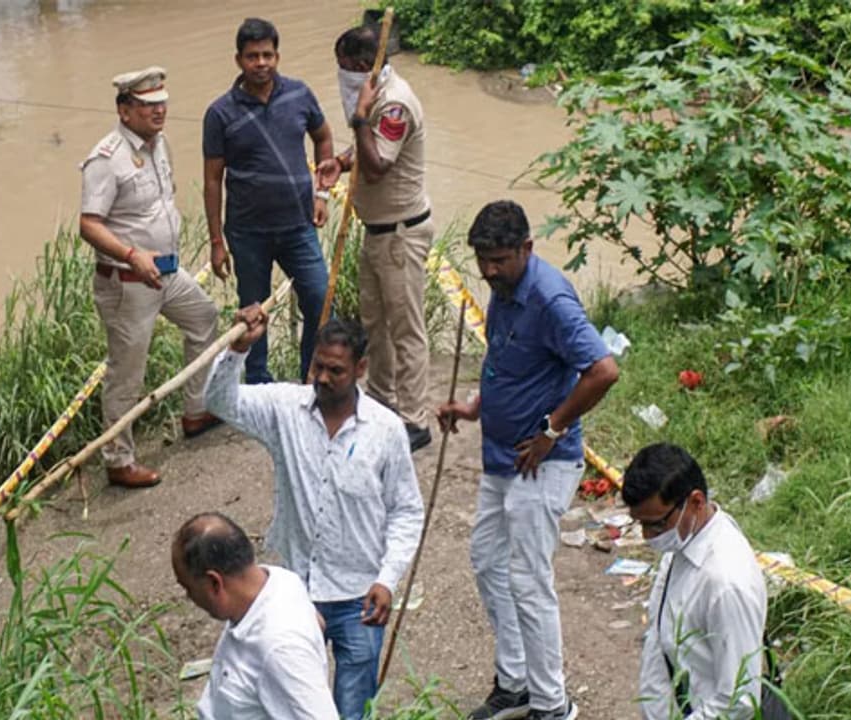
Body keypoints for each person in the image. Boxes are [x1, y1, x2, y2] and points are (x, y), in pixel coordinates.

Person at [437, 200, 619, 720]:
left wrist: (551, 429)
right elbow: (507, 360)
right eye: (482, 260)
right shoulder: (505, 290)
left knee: (528, 579)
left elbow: (603, 370)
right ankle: (515, 682)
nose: (489, 270)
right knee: (487, 561)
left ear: (526, 249)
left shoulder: (550, 298)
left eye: (499, 259)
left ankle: (551, 703)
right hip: (502, 459)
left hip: (544, 461)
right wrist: (473, 407)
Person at [205, 307, 425, 720]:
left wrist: (388, 579)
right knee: (290, 703)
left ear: (360, 368)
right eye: (317, 366)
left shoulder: (387, 430)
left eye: (335, 371)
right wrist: (237, 349)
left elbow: (407, 511)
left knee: (353, 706)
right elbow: (219, 401)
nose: (322, 378)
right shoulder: (284, 408)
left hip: (361, 596)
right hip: (296, 592)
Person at [79, 66, 221, 489]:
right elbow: (88, 224)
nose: (159, 113)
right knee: (127, 371)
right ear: (125, 110)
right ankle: (118, 460)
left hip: (166, 273)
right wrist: (130, 254)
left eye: (162, 105)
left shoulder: (160, 145)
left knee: (204, 317)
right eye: (147, 106)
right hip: (127, 281)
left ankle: (196, 410)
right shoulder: (105, 159)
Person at [321, 23, 434, 452]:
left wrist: (358, 117)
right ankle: (385, 401)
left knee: (406, 329)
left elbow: (378, 165)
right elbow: (362, 156)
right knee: (375, 324)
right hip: (378, 231)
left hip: (401, 233)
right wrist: (339, 161)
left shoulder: (393, 105)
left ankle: (414, 418)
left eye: (347, 68)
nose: (342, 76)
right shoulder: (374, 99)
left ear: (365, 66)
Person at [203, 18, 336, 384]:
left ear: (277, 56)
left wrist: (321, 192)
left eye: (267, 55)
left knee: (320, 300)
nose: (260, 63)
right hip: (248, 233)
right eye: (252, 57)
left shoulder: (300, 94)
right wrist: (217, 243)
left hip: (298, 226)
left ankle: (312, 376)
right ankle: (258, 380)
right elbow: (212, 181)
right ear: (238, 60)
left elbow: (323, 138)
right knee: (253, 312)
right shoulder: (219, 113)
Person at [623, 444, 769, 720]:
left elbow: (739, 700)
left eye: (655, 525)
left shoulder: (726, 583)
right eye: (639, 524)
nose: (646, 536)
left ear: (696, 502)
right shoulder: (684, 539)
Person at [172, 512, 338, 720]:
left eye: (189, 588)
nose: (190, 597)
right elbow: (318, 622)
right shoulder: (278, 580)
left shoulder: (279, 650)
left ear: (215, 583)